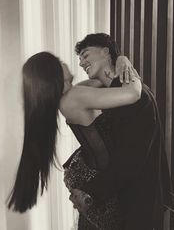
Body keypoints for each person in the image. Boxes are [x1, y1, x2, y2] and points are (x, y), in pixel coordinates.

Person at [7, 50, 141, 228]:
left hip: (94, 177)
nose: (66, 64)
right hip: (98, 181)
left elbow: (104, 79)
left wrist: (122, 60)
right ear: (53, 73)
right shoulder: (74, 97)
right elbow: (133, 94)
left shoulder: (71, 94)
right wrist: (129, 67)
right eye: (59, 62)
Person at [70, 33, 171, 230]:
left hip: (137, 200)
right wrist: (122, 59)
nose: (81, 63)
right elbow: (71, 91)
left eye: (85, 55)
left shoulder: (135, 96)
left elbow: (132, 156)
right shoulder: (115, 93)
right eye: (80, 59)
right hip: (122, 195)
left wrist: (90, 192)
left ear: (105, 51)